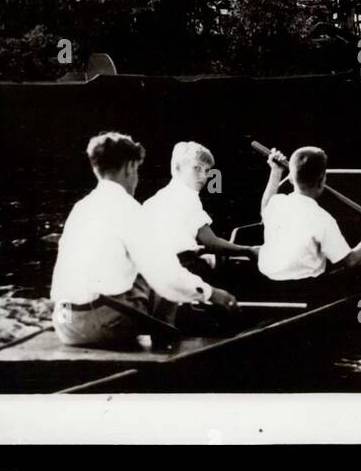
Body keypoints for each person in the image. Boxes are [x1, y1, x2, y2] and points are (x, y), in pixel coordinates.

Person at [49, 132, 236, 348]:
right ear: (129, 167)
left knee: (139, 272)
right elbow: (167, 276)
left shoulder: (81, 207)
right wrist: (212, 294)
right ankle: (168, 347)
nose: (136, 177)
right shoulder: (128, 208)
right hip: (98, 327)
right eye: (136, 170)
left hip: (64, 324)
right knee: (165, 272)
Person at [258, 146, 361, 298]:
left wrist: (276, 172)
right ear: (322, 181)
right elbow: (350, 261)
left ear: (292, 178)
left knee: (322, 258)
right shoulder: (323, 218)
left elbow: (265, 206)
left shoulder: (277, 203)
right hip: (303, 290)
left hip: (269, 284)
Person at [143, 142, 258, 284]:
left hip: (153, 275)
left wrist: (197, 251)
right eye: (197, 168)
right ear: (177, 168)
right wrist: (250, 250)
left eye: (207, 170)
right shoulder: (187, 196)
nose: (204, 176)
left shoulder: (153, 201)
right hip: (184, 270)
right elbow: (211, 242)